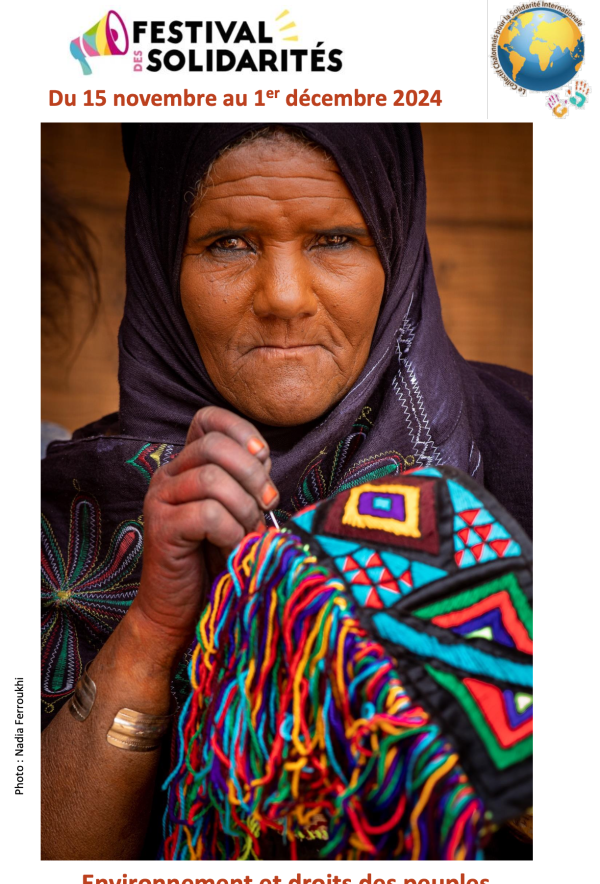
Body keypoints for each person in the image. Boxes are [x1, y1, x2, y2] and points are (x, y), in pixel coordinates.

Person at [41, 123, 532, 860]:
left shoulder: (542, 449)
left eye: (335, 239)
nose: (283, 297)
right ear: (158, 254)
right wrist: (149, 629)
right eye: (228, 242)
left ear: (397, 247)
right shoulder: (62, 523)